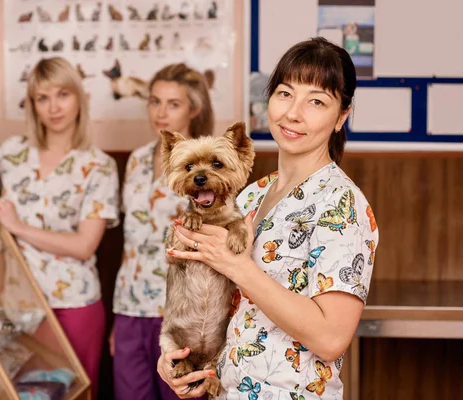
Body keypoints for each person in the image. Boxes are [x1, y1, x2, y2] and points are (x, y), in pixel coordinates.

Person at [157, 37, 379, 399]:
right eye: (285, 93)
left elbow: (330, 339)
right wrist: (177, 356)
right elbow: (217, 303)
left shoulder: (342, 204)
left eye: (317, 101)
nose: (294, 113)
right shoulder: (252, 194)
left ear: (341, 116)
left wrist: (239, 267)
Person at [0, 57, 119, 400]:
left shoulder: (99, 165)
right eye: (42, 97)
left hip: (74, 304)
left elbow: (84, 246)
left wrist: (19, 227)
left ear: (79, 98)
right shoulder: (10, 154)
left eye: (62, 94)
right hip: (16, 302)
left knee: (76, 393)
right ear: (32, 104)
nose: (53, 107)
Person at [110, 63, 214, 400]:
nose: (161, 113)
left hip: (181, 314)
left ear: (194, 109)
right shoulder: (137, 160)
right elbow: (131, 242)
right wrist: (119, 321)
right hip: (130, 307)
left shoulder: (205, 165)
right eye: (154, 102)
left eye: (173, 104)